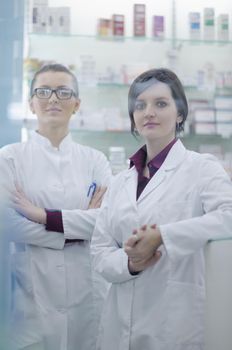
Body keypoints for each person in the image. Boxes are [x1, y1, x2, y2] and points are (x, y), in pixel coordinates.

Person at [90, 68, 232, 350]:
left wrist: (163, 236)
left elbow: (228, 217)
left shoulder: (202, 168)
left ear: (180, 113)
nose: (149, 112)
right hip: (119, 325)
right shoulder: (120, 181)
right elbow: (99, 252)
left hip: (172, 324)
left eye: (161, 103)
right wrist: (130, 263)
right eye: (140, 105)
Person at [0, 63, 111, 350]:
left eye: (63, 92)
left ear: (76, 104)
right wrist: (74, 230)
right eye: (44, 91)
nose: (53, 99)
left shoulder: (95, 160)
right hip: (31, 292)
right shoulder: (9, 158)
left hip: (86, 290)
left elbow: (106, 221)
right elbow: (7, 224)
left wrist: (39, 216)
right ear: (31, 103)